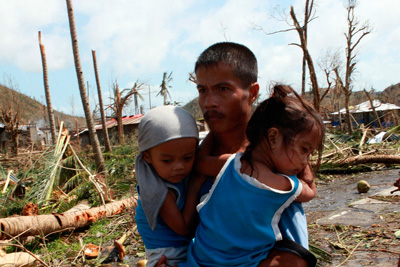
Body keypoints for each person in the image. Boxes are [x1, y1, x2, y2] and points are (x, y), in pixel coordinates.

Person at [156, 42, 317, 267]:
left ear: (252, 93)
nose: (209, 102)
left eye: (223, 89)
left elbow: (295, 256)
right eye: (202, 90)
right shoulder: (186, 164)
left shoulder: (277, 161)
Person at [180, 84, 324, 267]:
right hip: (241, 264)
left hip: (199, 259)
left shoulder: (230, 162)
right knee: (299, 261)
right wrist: (303, 167)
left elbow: (200, 162)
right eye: (304, 150)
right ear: (273, 137)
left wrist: (215, 133)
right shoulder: (283, 185)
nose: (305, 161)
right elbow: (310, 191)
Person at [134, 106, 205, 267]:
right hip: (168, 256)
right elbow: (184, 227)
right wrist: (194, 188)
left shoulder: (170, 177)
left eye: (187, 158)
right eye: (167, 161)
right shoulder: (157, 190)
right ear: (147, 156)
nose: (179, 167)